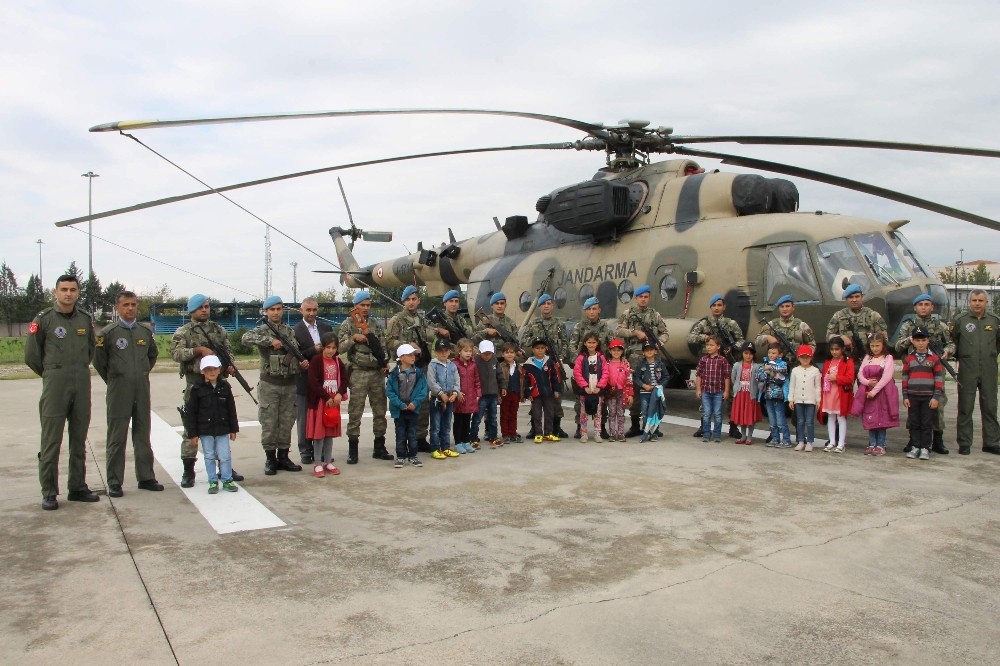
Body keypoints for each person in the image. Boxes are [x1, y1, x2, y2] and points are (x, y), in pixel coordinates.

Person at [25, 274, 98, 511]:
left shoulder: (85, 319)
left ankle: (77, 487)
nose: (68, 293)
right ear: (55, 292)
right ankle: (49, 491)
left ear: (78, 292)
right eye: (64, 289)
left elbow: (90, 351)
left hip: (81, 381)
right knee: (51, 441)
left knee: (79, 438)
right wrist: (51, 373)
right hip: (55, 384)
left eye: (73, 289)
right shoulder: (44, 319)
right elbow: (32, 356)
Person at [169, 293, 244, 488]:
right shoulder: (183, 331)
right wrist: (198, 350)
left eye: (207, 306)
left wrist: (229, 364)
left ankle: (225, 469)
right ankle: (188, 470)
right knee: (190, 429)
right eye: (200, 307)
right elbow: (176, 354)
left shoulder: (218, 330)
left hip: (217, 386)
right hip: (195, 386)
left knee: (220, 426)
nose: (204, 310)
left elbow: (229, 351)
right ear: (192, 310)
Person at [94, 290, 163, 497]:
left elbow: (152, 356)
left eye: (133, 304)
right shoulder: (107, 333)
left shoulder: (145, 331)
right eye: (125, 305)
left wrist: (139, 374)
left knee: (143, 434)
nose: (130, 308)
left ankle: (146, 477)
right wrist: (116, 378)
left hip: (141, 388)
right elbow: (99, 362)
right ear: (118, 308)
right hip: (118, 390)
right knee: (117, 436)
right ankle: (115, 481)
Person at [242, 295, 308, 475]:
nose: (276, 312)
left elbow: (295, 352)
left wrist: (301, 363)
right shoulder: (262, 330)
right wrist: (270, 341)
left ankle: (284, 457)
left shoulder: (289, 331)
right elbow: (245, 338)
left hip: (289, 384)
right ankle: (270, 459)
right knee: (270, 423)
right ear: (266, 311)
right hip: (270, 384)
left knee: (287, 422)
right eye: (272, 309)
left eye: (279, 309)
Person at [894, 293, 954, 455]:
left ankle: (938, 440)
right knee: (914, 406)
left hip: (934, 370)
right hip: (914, 371)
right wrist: (912, 339)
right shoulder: (908, 325)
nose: (923, 307)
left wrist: (947, 352)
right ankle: (913, 440)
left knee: (938, 403)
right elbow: (898, 346)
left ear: (932, 307)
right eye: (920, 305)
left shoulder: (940, 325)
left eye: (927, 304)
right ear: (915, 307)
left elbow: (950, 344)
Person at [339, 290, 393, 463]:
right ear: (355, 306)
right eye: (362, 305)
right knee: (355, 412)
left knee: (380, 411)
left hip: (376, 373)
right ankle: (352, 449)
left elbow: (382, 345)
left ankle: (379, 447)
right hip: (359, 372)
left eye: (368, 305)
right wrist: (353, 339)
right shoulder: (348, 324)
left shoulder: (375, 324)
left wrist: (385, 363)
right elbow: (339, 348)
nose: (365, 308)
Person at [688, 294, 746, 439]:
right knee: (706, 396)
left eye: (719, 305)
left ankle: (733, 427)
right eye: (714, 305)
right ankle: (704, 426)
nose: (717, 308)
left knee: (731, 395)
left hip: (726, 363)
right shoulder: (704, 323)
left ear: (724, 307)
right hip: (708, 364)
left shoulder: (730, 323)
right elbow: (691, 337)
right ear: (710, 307)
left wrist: (732, 347)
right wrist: (706, 338)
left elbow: (741, 340)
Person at [386, 285, 436, 452]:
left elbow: (430, 336)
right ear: (403, 302)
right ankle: (405, 439)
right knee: (405, 402)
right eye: (408, 299)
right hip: (405, 368)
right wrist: (406, 345)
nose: (411, 302)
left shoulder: (423, 320)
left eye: (414, 299)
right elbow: (389, 342)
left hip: (422, 365)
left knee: (423, 403)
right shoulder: (397, 320)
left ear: (418, 301)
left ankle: (420, 438)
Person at [615, 285, 670, 437]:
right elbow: (618, 330)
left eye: (646, 297)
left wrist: (659, 343)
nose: (643, 299)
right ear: (636, 298)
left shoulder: (655, 315)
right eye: (641, 297)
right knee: (636, 392)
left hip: (651, 358)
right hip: (634, 358)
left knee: (654, 391)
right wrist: (635, 333)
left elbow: (665, 333)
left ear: (649, 298)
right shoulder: (628, 314)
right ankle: (634, 426)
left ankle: (653, 426)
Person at [950, 288, 1000, 456]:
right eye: (974, 300)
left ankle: (991, 442)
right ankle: (964, 443)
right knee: (965, 407)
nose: (977, 303)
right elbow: (954, 341)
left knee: (990, 407)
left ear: (987, 302)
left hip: (989, 369)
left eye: (980, 300)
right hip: (967, 369)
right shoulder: (960, 321)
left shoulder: (994, 321)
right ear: (969, 302)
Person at [184, 355, 240, 493]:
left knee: (225, 456)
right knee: (209, 456)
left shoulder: (225, 387)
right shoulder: (197, 389)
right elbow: (191, 413)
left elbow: (231, 410)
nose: (212, 372)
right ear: (202, 371)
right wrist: (193, 433)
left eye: (214, 368)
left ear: (220, 370)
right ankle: (213, 481)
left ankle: (227, 479)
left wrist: (233, 429)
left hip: (222, 429)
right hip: (205, 430)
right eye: (208, 369)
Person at [520, 294, 571, 438]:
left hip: (553, 363)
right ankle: (535, 428)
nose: (546, 306)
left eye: (549, 303)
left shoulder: (559, 324)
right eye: (543, 304)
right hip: (537, 364)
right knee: (536, 397)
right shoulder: (534, 324)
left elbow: (565, 342)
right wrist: (538, 341)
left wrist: (560, 358)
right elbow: (524, 340)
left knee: (556, 397)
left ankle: (556, 427)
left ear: (552, 306)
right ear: (540, 307)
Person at [293, 297, 333, 464]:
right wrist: (313, 349)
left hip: (324, 381)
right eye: (308, 310)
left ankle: (323, 449)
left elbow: (333, 350)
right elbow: (296, 354)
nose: (311, 313)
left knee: (323, 415)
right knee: (303, 417)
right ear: (301, 310)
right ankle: (305, 450)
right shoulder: (295, 330)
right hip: (304, 380)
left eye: (314, 310)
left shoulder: (326, 327)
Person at [569, 296, 614, 439]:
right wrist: (579, 362)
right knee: (580, 401)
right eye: (588, 309)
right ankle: (579, 427)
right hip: (583, 370)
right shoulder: (579, 326)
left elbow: (612, 344)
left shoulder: (605, 327)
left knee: (602, 400)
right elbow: (572, 345)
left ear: (599, 310)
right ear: (585, 311)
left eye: (594, 309)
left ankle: (601, 427)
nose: (592, 312)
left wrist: (613, 361)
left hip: (600, 369)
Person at [305, 332, 348, 477]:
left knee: (329, 433)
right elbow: (313, 382)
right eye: (328, 347)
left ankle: (328, 461)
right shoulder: (316, 361)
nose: (331, 351)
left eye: (334, 348)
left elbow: (344, 379)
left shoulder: (338, 362)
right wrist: (325, 396)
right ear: (322, 347)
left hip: (333, 403)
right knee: (319, 435)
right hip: (320, 403)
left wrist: (339, 394)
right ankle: (318, 463)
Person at [850, 333, 899, 456]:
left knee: (882, 419)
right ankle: (872, 443)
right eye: (872, 346)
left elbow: (886, 377)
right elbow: (860, 374)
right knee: (870, 417)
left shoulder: (888, 358)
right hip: (869, 393)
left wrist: (874, 390)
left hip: (882, 393)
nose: (875, 348)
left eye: (878, 345)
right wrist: (867, 382)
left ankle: (881, 444)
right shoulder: (867, 358)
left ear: (883, 345)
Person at [902, 327, 944, 461]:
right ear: (913, 341)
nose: (921, 343)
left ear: (928, 341)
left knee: (926, 423)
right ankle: (915, 446)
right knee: (914, 422)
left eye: (923, 340)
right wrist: (905, 396)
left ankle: (925, 447)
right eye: (917, 340)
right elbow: (904, 379)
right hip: (913, 396)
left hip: (928, 397)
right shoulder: (909, 359)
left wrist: (936, 397)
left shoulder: (934, 359)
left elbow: (938, 379)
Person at [825, 284, 887, 369]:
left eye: (857, 296)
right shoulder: (839, 316)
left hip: (869, 358)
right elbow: (828, 336)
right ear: (846, 299)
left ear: (862, 297)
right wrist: (841, 338)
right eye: (851, 297)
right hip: (846, 359)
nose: (854, 300)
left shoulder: (873, 315)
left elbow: (884, 339)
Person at [386, 343, 428, 468]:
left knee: (412, 433)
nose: (413, 357)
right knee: (400, 434)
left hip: (413, 410)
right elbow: (390, 391)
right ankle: (401, 456)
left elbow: (423, 390)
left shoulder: (418, 373)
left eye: (413, 354)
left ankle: (413, 456)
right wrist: (400, 404)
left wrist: (414, 403)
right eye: (409, 355)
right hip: (399, 410)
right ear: (402, 357)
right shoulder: (394, 374)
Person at [755, 294, 816, 366]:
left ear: (793, 308)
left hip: (797, 364)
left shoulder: (802, 325)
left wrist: (804, 357)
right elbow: (757, 341)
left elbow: (812, 345)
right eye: (782, 306)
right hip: (777, 366)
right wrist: (767, 337)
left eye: (787, 306)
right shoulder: (771, 325)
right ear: (778, 309)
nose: (784, 309)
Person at [426, 338, 461, 459]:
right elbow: (431, 381)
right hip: (437, 399)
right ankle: (435, 448)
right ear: (435, 352)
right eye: (440, 351)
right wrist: (440, 393)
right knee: (436, 425)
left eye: (446, 350)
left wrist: (455, 393)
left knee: (446, 425)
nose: (443, 353)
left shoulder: (452, 365)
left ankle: (446, 447)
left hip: (450, 398)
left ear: (449, 351)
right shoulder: (433, 365)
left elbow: (457, 380)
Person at [819, 338, 855, 453]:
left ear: (843, 349)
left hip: (840, 393)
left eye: (837, 349)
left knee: (841, 417)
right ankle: (832, 441)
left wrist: (836, 378)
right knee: (830, 416)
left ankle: (841, 443)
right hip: (828, 392)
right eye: (832, 349)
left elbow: (850, 378)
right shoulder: (827, 363)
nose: (834, 352)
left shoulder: (848, 361)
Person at [523, 338, 561, 443]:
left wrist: (556, 390)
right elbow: (525, 381)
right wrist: (527, 393)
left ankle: (548, 433)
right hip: (535, 395)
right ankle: (538, 433)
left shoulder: (549, 362)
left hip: (548, 393)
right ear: (533, 350)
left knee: (549, 414)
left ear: (546, 349)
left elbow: (555, 377)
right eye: (537, 348)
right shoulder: (528, 364)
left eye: (542, 348)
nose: (540, 350)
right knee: (537, 414)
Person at [573, 333, 609, 442]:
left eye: (594, 342)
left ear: (597, 343)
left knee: (598, 413)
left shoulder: (601, 357)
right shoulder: (581, 358)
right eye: (589, 342)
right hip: (585, 390)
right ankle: (583, 433)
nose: (591, 345)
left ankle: (597, 433)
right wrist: (584, 386)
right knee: (583, 412)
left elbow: (605, 373)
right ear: (585, 343)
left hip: (597, 390)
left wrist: (600, 386)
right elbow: (577, 373)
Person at [695, 336, 731, 443]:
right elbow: (699, 375)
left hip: (718, 392)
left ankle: (717, 435)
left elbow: (726, 376)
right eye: (707, 345)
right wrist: (698, 390)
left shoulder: (722, 360)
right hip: (706, 391)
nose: (709, 347)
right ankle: (706, 434)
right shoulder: (703, 360)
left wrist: (726, 391)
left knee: (717, 413)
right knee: (706, 413)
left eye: (712, 345)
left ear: (718, 347)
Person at [634, 340, 670, 443]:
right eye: (646, 350)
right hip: (645, 393)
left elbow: (666, 376)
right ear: (643, 353)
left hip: (656, 393)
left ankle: (654, 432)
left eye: (651, 349)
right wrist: (644, 385)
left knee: (656, 412)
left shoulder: (660, 364)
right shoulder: (641, 364)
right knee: (645, 412)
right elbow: (636, 377)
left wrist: (660, 386)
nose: (649, 352)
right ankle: (646, 431)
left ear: (656, 351)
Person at [757, 344, 792, 448]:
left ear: (780, 354)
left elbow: (782, 369)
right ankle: (775, 438)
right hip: (768, 395)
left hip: (779, 395)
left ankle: (786, 439)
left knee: (780, 419)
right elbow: (758, 376)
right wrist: (767, 371)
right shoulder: (765, 364)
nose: (771, 355)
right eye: (769, 353)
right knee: (772, 420)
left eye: (774, 353)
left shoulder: (783, 363)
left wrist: (770, 368)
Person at [789, 345, 821, 452]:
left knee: (809, 421)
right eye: (802, 357)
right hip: (798, 400)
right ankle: (801, 441)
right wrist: (791, 399)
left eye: (807, 357)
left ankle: (810, 442)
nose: (805, 359)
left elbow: (817, 386)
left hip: (810, 400)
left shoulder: (815, 371)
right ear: (798, 358)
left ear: (811, 358)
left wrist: (818, 400)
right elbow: (792, 385)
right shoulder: (795, 370)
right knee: (800, 421)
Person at [471, 340, 503, 448]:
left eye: (489, 353)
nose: (487, 356)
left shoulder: (494, 360)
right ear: (479, 352)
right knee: (477, 417)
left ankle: (493, 437)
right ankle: (473, 438)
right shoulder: (475, 361)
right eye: (485, 354)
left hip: (493, 394)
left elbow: (499, 374)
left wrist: (502, 387)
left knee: (492, 417)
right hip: (481, 395)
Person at [451, 338, 481, 453]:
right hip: (459, 397)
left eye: (470, 351)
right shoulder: (454, 364)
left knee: (467, 420)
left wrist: (478, 394)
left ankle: (466, 441)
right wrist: (456, 391)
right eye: (466, 351)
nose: (469, 353)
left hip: (471, 397)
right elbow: (453, 380)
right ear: (459, 351)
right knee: (459, 420)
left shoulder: (473, 364)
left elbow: (477, 380)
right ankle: (458, 443)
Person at [729, 341, 762, 445]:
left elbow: (759, 380)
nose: (748, 356)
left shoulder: (757, 367)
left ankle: (749, 437)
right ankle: (743, 436)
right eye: (746, 353)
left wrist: (758, 390)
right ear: (742, 353)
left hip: (750, 394)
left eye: (751, 354)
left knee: (749, 415)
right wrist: (737, 387)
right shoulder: (737, 365)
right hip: (740, 393)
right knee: (742, 415)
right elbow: (733, 379)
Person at [475, 291, 523, 356]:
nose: (500, 306)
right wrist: (487, 331)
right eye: (497, 304)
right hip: (490, 357)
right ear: (492, 306)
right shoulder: (485, 320)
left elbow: (515, 340)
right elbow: (473, 338)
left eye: (502, 303)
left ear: (505, 305)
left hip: (507, 357)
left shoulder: (511, 322)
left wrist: (517, 350)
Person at [604, 339, 633, 442]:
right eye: (614, 350)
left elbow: (629, 379)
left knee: (621, 413)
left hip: (622, 392)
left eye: (619, 350)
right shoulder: (606, 364)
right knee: (611, 412)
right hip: (611, 392)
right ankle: (612, 433)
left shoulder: (626, 364)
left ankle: (621, 433)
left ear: (622, 352)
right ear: (610, 351)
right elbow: (604, 379)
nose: (616, 352)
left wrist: (630, 394)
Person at [498, 342, 524, 443]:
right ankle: (505, 434)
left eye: (512, 352)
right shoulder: (500, 366)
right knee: (505, 414)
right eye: (507, 352)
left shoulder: (519, 367)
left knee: (513, 414)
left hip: (516, 393)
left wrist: (522, 394)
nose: (509, 354)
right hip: (505, 394)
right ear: (503, 354)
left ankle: (513, 433)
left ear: (515, 354)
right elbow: (498, 381)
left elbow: (522, 381)